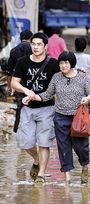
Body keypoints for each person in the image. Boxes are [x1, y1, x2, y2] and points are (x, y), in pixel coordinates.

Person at [22, 51, 90, 184]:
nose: (63, 65)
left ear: (72, 63)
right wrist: (33, 97)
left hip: (78, 117)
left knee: (81, 147)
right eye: (61, 63)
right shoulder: (56, 77)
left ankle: (85, 166)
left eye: (66, 63)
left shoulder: (83, 76)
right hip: (60, 117)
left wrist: (87, 99)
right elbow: (47, 94)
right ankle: (67, 178)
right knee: (63, 147)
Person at [11, 32, 60, 183]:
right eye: (34, 44)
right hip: (27, 108)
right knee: (25, 142)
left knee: (45, 142)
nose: (36, 47)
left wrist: (79, 73)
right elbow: (14, 83)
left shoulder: (53, 63)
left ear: (45, 47)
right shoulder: (22, 62)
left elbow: (65, 77)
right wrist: (26, 90)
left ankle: (41, 174)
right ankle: (37, 159)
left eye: (39, 44)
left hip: (47, 108)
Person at [7, 29, 33, 94]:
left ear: (21, 38)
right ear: (31, 38)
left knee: (20, 101)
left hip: (18, 81)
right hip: (32, 80)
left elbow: (9, 71)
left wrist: (9, 86)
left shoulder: (13, 50)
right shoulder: (34, 49)